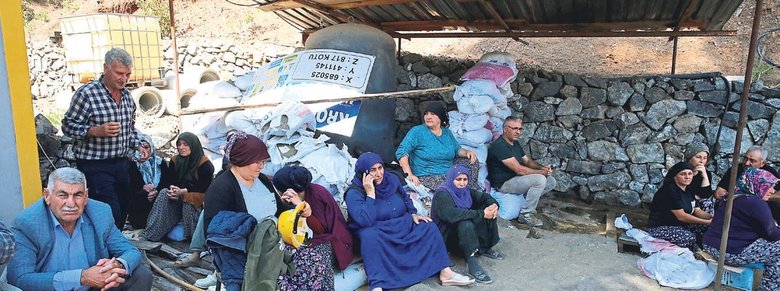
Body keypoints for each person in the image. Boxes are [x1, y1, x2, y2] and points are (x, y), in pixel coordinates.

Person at [345, 152, 474, 290]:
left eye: (380, 168)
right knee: (369, 237)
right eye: (372, 170)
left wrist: (413, 213)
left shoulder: (391, 180)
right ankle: (378, 284)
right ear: (363, 172)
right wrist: (370, 194)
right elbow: (364, 220)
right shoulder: (355, 192)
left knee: (429, 226)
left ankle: (445, 272)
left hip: (401, 223)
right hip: (379, 231)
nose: (378, 174)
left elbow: (405, 198)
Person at [8, 167, 152, 290]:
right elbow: (20, 278)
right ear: (47, 196)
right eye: (62, 195)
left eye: (78, 195)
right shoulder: (27, 223)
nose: (71, 204)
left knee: (140, 274)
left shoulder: (100, 213)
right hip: (52, 288)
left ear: (86, 196)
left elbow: (130, 251)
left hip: (93, 288)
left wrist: (116, 265)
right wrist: (81, 277)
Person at [61, 48, 150, 229]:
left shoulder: (127, 98)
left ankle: (112, 250)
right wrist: (95, 131)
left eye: (127, 74)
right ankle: (106, 252)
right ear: (105, 68)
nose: (123, 79)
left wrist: (140, 145)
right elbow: (67, 126)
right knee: (109, 212)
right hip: (95, 166)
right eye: (119, 73)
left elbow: (129, 130)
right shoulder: (87, 94)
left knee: (124, 207)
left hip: (122, 164)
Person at [273, 165, 354, 290]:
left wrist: (305, 211)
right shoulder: (292, 199)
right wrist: (286, 205)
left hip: (333, 241)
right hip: (308, 239)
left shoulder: (316, 195)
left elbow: (321, 231)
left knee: (311, 261)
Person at [703, 168, 780, 291]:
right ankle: (770, 287)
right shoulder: (756, 203)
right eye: (768, 186)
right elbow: (773, 234)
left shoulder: (734, 196)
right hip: (728, 252)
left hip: (710, 245)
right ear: (757, 184)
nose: (772, 191)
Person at [203, 131, 291, 237]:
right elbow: (213, 229)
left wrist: (298, 210)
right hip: (245, 249)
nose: (262, 166)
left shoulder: (262, 179)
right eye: (257, 162)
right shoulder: (221, 188)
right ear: (242, 160)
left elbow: (280, 210)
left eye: (263, 162)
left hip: (274, 240)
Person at [431, 164, 501, 284]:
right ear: (451, 179)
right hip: (446, 237)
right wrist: (482, 214)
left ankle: (483, 247)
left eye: (465, 179)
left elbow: (484, 197)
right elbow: (452, 215)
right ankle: (471, 261)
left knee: (487, 209)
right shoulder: (443, 194)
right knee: (466, 222)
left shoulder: (466, 192)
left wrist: (493, 206)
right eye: (458, 179)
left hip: (461, 234)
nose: (462, 183)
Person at [143, 132, 214, 242]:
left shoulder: (204, 164)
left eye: (185, 144)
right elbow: (170, 181)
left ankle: (192, 235)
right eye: (179, 144)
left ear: (193, 145)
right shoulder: (175, 160)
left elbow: (205, 187)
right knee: (164, 193)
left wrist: (184, 192)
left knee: (188, 198)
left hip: (196, 200)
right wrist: (173, 191)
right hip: (178, 196)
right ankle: (152, 232)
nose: (181, 147)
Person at [486, 116, 556, 227]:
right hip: (504, 184)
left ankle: (525, 203)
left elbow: (528, 161)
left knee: (551, 181)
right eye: (515, 128)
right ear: (505, 129)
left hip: (516, 180)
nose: (518, 132)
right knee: (539, 179)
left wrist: (543, 168)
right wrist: (541, 173)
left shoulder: (515, 143)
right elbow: (519, 170)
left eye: (520, 129)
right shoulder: (500, 146)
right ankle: (526, 214)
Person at [396, 102, 478, 190]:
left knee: (471, 162)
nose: (428, 117)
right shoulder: (417, 132)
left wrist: (467, 152)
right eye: (426, 114)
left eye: (433, 114)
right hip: (428, 176)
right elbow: (401, 152)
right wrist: (410, 175)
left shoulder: (447, 132)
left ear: (440, 117)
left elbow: (457, 150)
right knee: (454, 186)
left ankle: (470, 191)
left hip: (448, 171)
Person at [647, 162, 712, 249]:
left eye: (690, 174)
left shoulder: (688, 189)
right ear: (675, 176)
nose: (687, 177)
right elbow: (682, 216)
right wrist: (707, 222)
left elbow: (697, 210)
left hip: (681, 226)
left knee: (708, 231)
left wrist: (711, 217)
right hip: (661, 227)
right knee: (689, 238)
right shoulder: (670, 190)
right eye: (683, 174)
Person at [712, 146, 780, 221]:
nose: (747, 163)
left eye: (752, 160)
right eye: (745, 158)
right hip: (737, 206)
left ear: (762, 163)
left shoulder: (769, 172)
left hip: (762, 206)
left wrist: (765, 196)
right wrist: (741, 197)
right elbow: (718, 193)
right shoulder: (736, 169)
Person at [126, 133, 161, 229]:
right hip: (140, 201)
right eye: (141, 147)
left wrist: (155, 192)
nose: (144, 151)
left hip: (157, 199)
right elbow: (130, 186)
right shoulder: (132, 164)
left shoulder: (159, 163)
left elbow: (166, 183)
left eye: (146, 147)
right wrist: (143, 187)